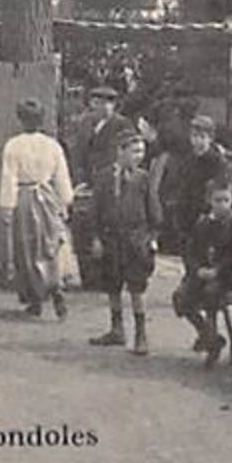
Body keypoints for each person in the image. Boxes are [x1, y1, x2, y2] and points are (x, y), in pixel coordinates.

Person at [0, 98, 75, 321]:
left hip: (24, 198)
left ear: (21, 120)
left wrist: (7, 206)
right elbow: (62, 177)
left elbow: (9, 177)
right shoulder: (52, 145)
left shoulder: (13, 145)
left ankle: (37, 296)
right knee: (49, 245)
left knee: (29, 248)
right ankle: (51, 290)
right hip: (47, 198)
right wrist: (64, 200)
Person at [88, 129, 160, 355]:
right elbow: (94, 212)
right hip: (111, 240)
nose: (139, 156)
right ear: (120, 151)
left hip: (135, 241)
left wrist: (151, 239)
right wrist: (96, 238)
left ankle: (141, 334)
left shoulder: (143, 179)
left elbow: (155, 214)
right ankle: (116, 329)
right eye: (135, 151)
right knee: (113, 285)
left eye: (142, 151)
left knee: (137, 287)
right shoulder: (103, 177)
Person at [172, 182, 232, 365]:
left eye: (226, 200)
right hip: (202, 272)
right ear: (209, 201)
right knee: (181, 297)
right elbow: (191, 251)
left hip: (226, 275)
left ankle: (210, 341)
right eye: (217, 200)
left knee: (211, 294)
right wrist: (197, 269)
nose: (222, 205)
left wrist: (219, 271)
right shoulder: (203, 223)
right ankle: (208, 334)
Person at [154, 115, 230, 254]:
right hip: (186, 214)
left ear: (210, 139)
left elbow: (219, 191)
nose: (198, 141)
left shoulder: (217, 162)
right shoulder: (188, 159)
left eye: (202, 137)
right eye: (195, 136)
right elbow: (179, 185)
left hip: (206, 216)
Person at [67, 85, 127, 190]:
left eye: (105, 103)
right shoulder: (86, 121)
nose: (101, 107)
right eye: (96, 103)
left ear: (113, 105)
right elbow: (79, 148)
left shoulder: (121, 124)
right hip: (88, 176)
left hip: (111, 178)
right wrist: (78, 171)